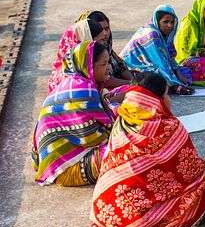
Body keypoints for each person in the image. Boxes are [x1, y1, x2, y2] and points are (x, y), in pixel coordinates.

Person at [90, 72, 205, 227]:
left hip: (108, 212)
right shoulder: (170, 127)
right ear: (156, 100)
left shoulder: (122, 121)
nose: (169, 100)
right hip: (140, 218)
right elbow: (189, 173)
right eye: (167, 95)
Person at [32, 41, 116, 186]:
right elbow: (93, 139)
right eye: (103, 65)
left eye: (108, 63)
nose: (108, 68)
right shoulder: (83, 91)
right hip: (64, 170)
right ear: (88, 66)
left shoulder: (75, 81)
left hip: (55, 161)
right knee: (124, 150)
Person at [120, 5, 194, 95]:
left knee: (185, 72)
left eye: (172, 22)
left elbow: (170, 58)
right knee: (154, 79)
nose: (170, 26)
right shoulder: (151, 34)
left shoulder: (165, 36)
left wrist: (178, 74)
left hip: (152, 65)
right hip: (133, 68)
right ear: (157, 22)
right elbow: (160, 63)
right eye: (165, 22)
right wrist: (176, 86)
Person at [47, 18, 107, 93]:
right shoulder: (74, 78)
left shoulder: (76, 67)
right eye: (100, 40)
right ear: (87, 40)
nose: (103, 43)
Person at [81, 10, 136, 91]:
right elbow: (104, 80)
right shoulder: (85, 52)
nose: (105, 33)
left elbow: (121, 68)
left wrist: (135, 81)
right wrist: (132, 84)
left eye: (107, 29)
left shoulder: (106, 47)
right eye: (100, 29)